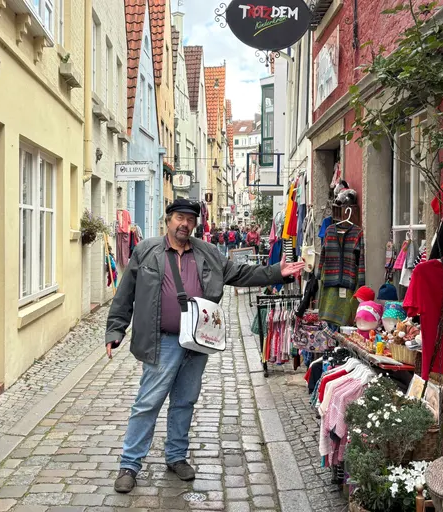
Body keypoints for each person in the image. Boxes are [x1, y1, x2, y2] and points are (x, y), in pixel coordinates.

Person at [105, 199, 305, 493]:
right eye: (179, 218)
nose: (184, 224)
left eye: (190, 219)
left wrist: (276, 271)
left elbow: (239, 273)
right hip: (162, 342)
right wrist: (116, 328)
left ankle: (176, 456)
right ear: (168, 220)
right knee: (148, 403)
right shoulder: (146, 251)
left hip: (197, 341)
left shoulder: (207, 252)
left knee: (185, 400)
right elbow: (126, 293)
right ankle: (129, 464)